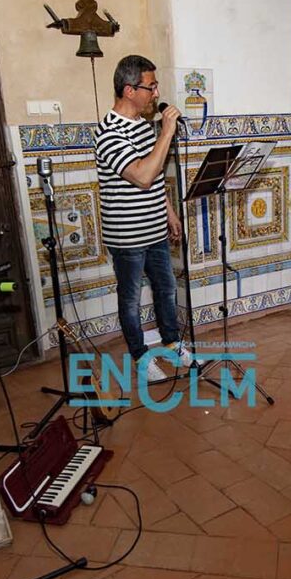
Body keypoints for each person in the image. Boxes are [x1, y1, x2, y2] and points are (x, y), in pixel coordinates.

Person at [94, 55, 194, 382]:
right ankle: (139, 357)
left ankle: (172, 343)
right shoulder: (109, 133)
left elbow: (156, 176)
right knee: (131, 300)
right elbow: (143, 176)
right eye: (150, 87)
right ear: (129, 90)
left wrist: (169, 212)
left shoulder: (141, 125)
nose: (156, 93)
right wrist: (167, 131)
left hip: (154, 231)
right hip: (127, 236)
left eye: (155, 86)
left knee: (166, 290)